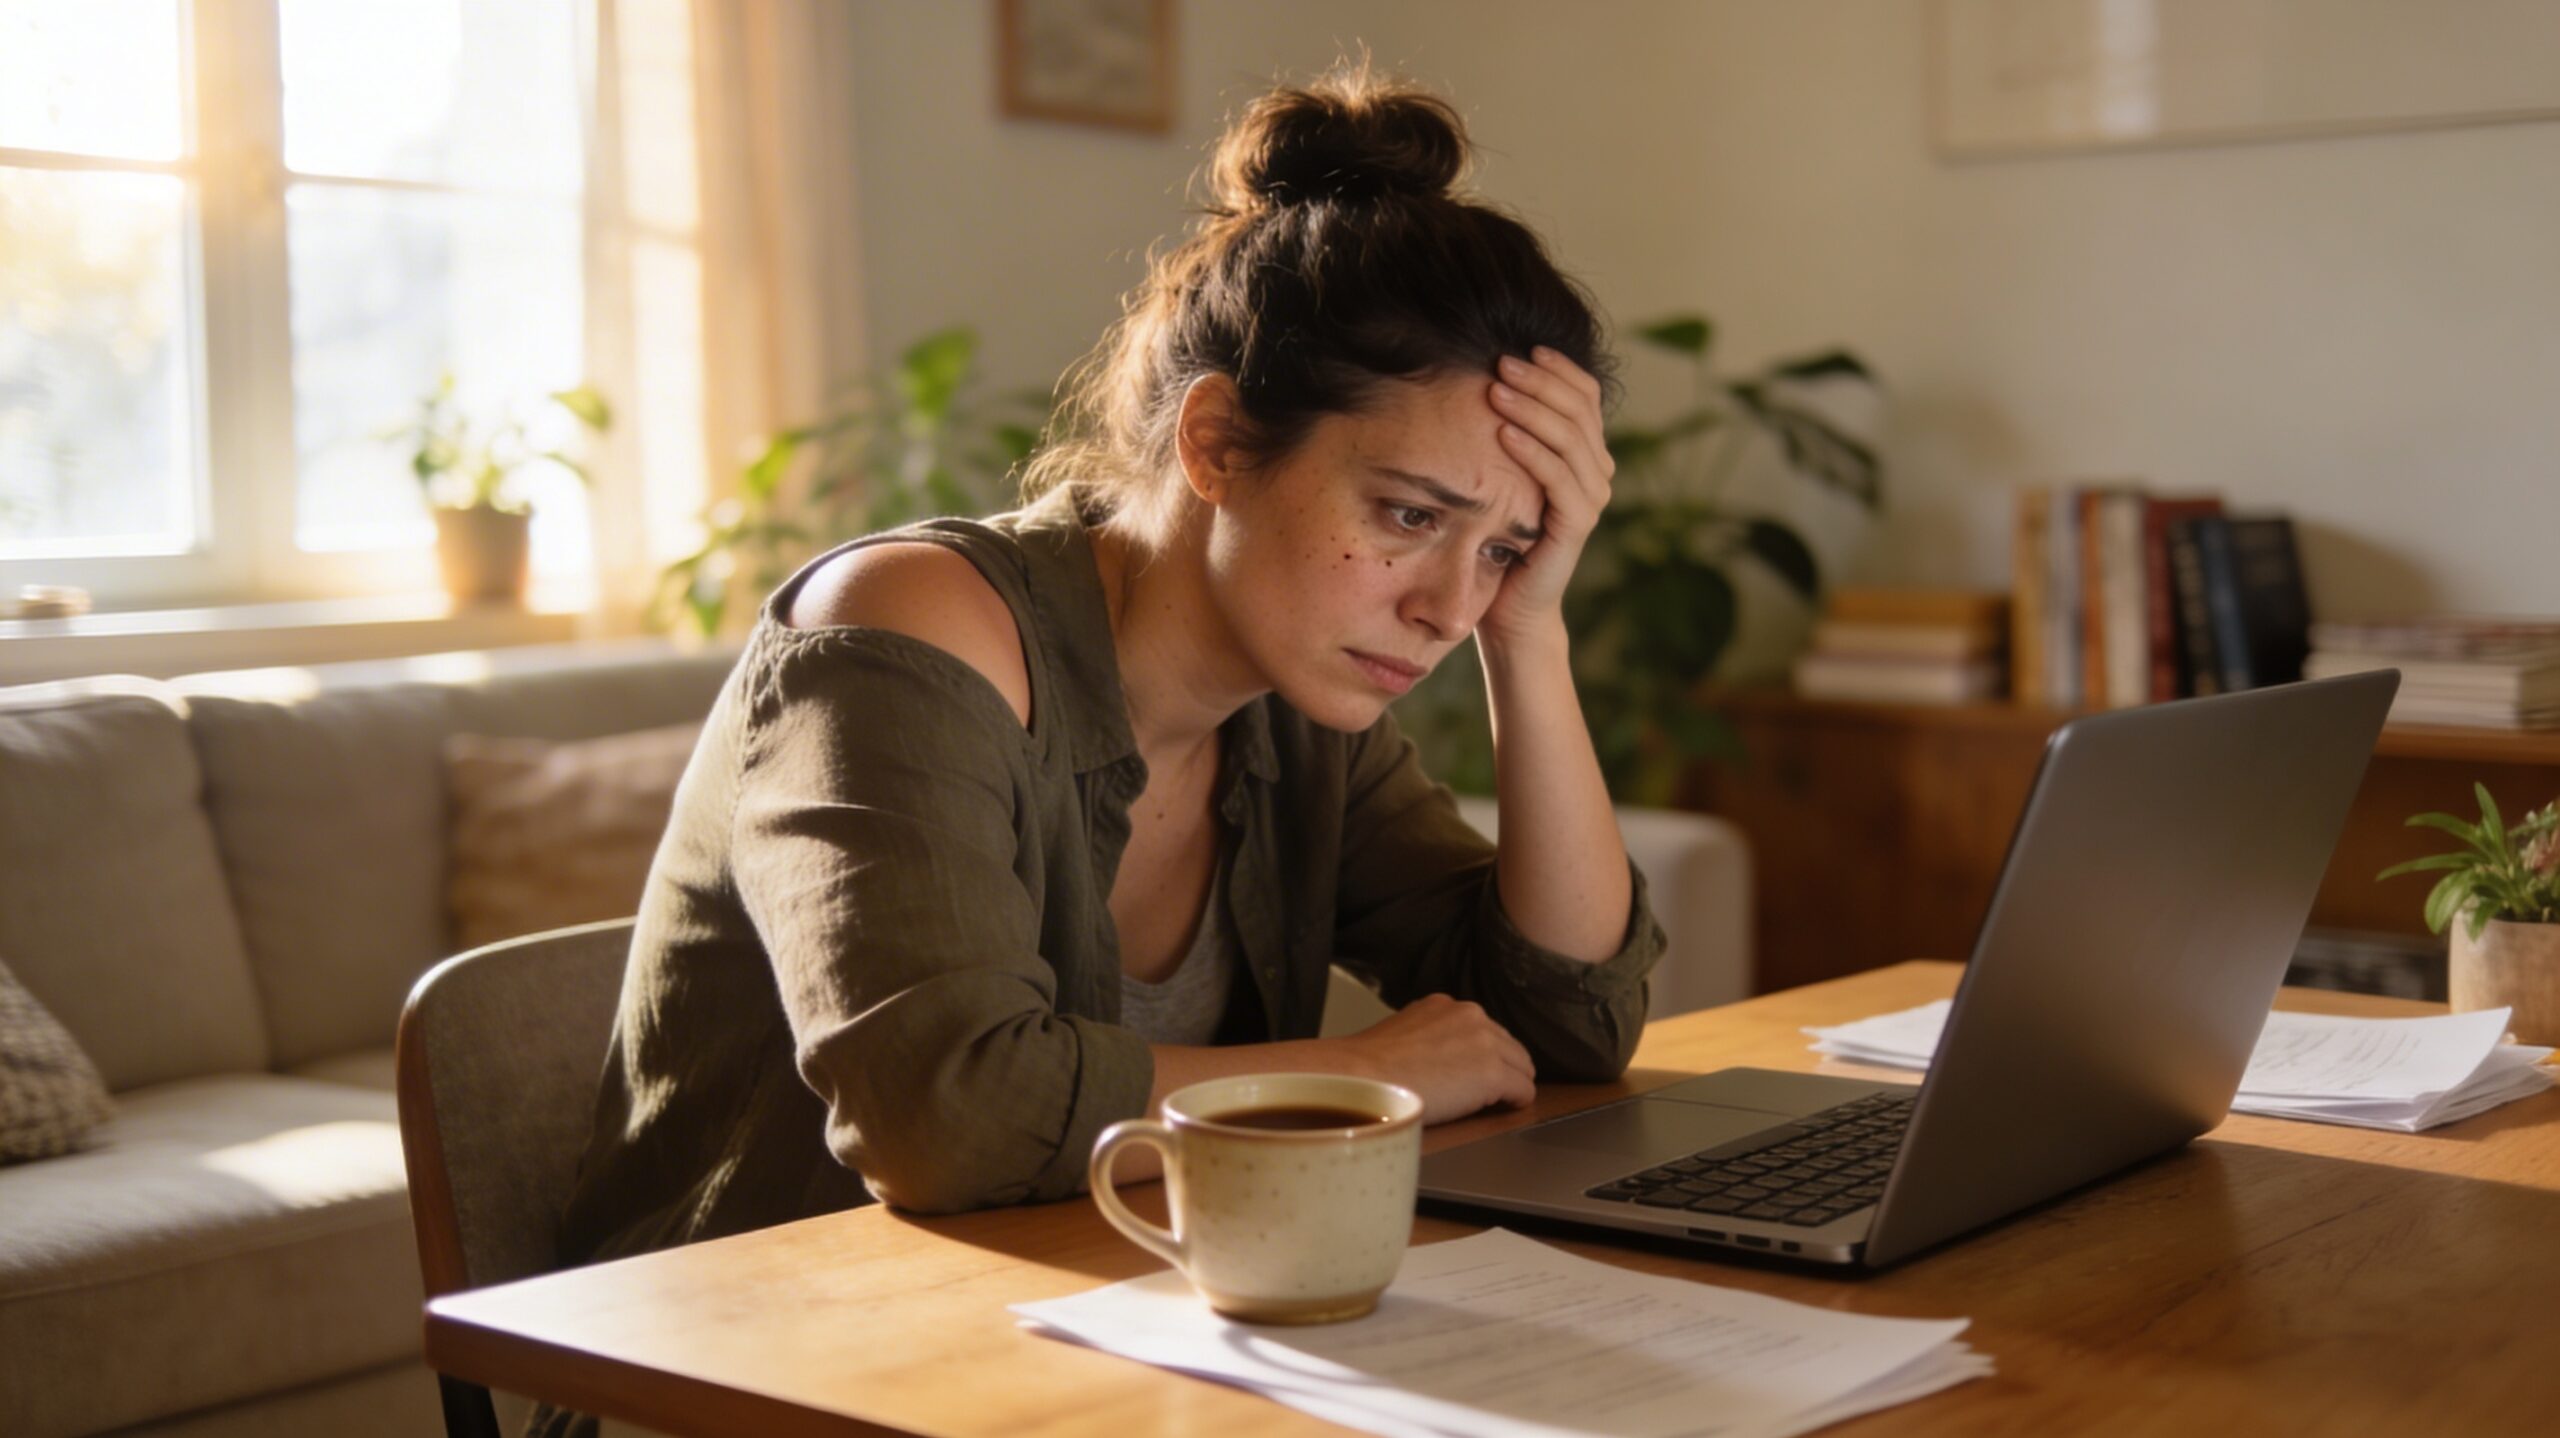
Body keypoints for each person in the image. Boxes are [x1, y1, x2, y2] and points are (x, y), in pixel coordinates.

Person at [548, 57, 1665, 1301]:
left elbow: (1566, 1025)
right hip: (754, 1363)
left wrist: (1535, 633)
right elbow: (947, 1114)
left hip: (1099, 1331)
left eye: (1504, 548)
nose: (1448, 606)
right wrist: (1368, 1075)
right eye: (1408, 514)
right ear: (1217, 442)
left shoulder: (1302, 706)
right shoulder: (904, 631)